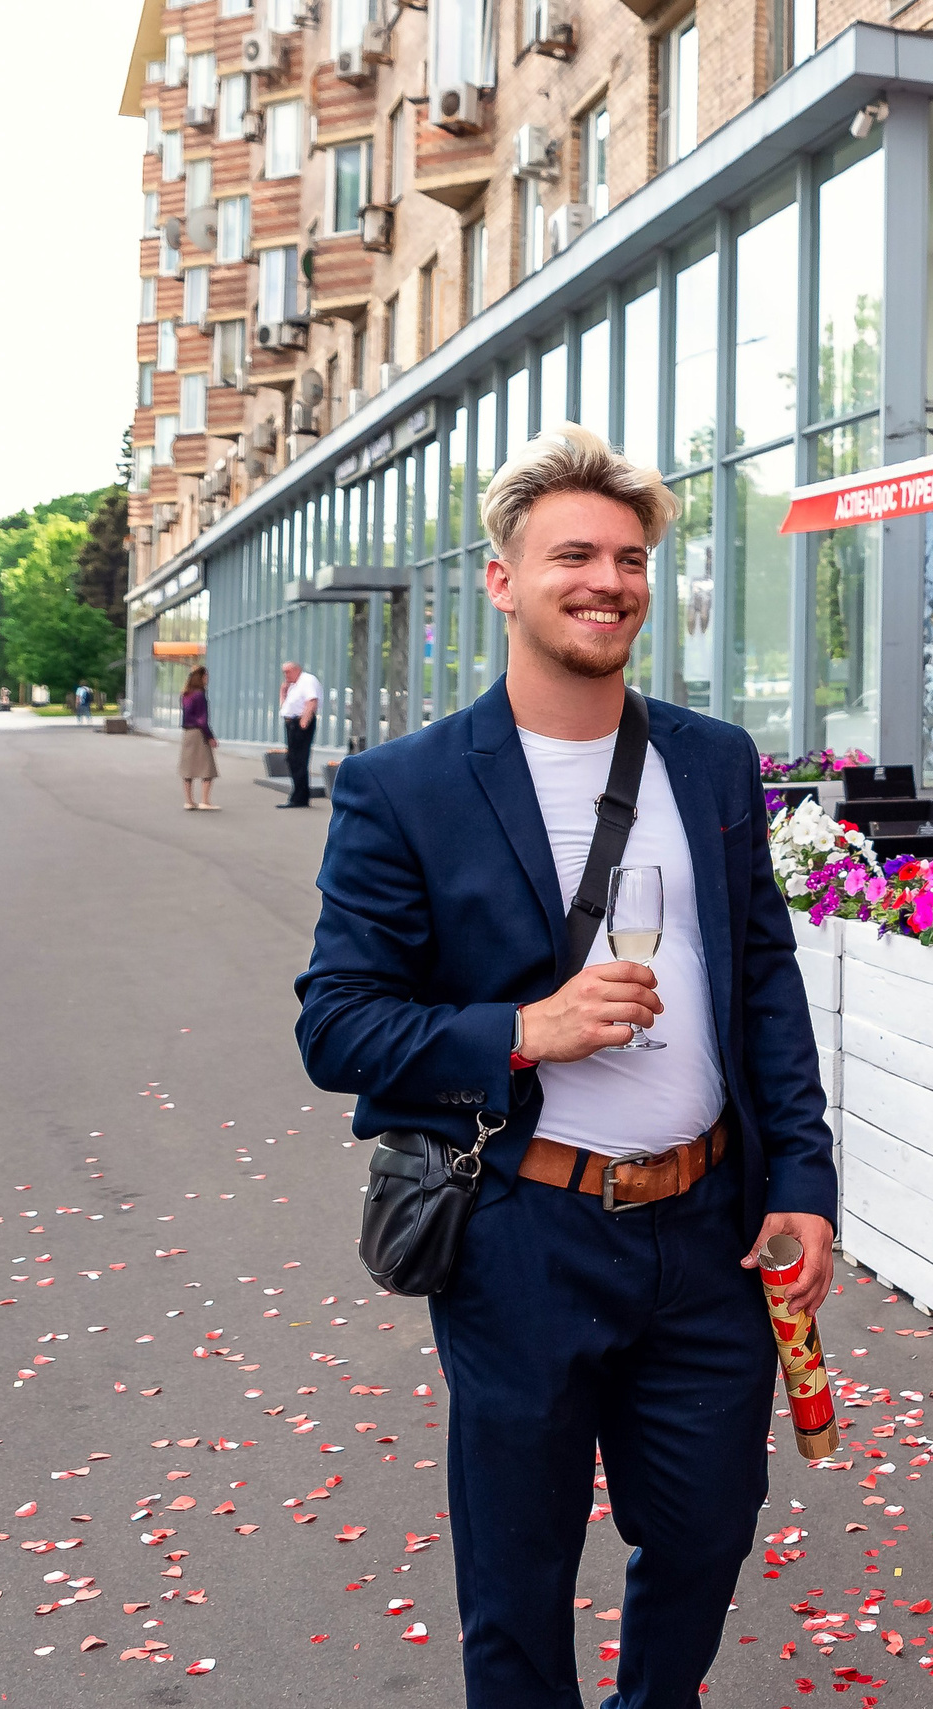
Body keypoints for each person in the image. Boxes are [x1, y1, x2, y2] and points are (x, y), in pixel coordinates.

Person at [295, 423, 835, 1708]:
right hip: (520, 1232)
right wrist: (521, 1029)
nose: (608, 581)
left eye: (630, 558)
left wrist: (802, 1181)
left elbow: (763, 978)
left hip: (706, 1229)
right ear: (503, 579)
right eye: (574, 555)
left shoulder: (711, 759)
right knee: (518, 1582)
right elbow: (336, 1023)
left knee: (707, 1529)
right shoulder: (404, 787)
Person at [279, 659, 321, 807]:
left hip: (300, 723)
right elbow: (285, 707)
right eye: (284, 672)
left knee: (298, 759)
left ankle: (300, 797)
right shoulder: (293, 686)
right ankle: (298, 793)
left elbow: (312, 701)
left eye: (288, 672)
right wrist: (283, 692)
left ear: (297, 670)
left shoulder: (307, 680)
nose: (286, 675)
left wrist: (305, 720)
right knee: (292, 758)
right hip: (291, 723)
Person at [178, 666, 218, 811]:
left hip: (187, 734)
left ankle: (189, 801)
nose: (207, 679)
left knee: (188, 767)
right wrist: (210, 736)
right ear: (200, 677)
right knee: (207, 767)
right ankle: (205, 801)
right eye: (206, 676)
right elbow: (202, 719)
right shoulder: (200, 695)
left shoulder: (185, 694)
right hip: (199, 733)